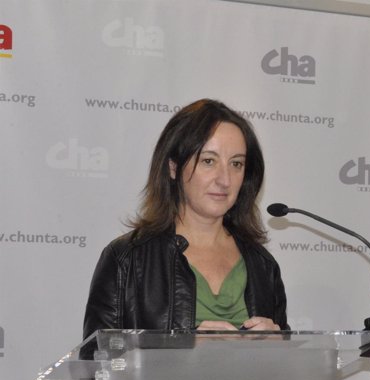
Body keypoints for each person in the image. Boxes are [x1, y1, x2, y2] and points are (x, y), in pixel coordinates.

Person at [83, 98, 288, 340]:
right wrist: (184, 353)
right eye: (208, 161)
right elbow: (96, 367)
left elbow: (282, 371)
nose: (225, 179)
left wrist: (277, 349)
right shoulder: (127, 259)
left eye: (236, 164)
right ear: (173, 167)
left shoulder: (262, 265)